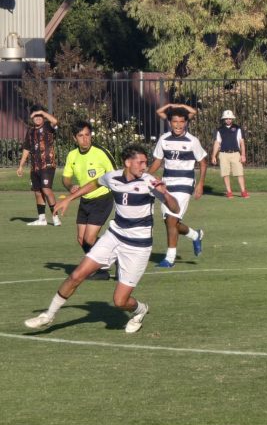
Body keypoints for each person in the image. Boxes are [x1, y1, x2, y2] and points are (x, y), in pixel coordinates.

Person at [24, 144, 180, 333]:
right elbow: (95, 183)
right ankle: (48, 315)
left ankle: (140, 309)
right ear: (127, 162)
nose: (144, 166)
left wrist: (165, 193)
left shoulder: (150, 182)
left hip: (138, 247)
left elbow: (175, 208)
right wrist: (68, 199)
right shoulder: (112, 177)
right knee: (76, 275)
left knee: (120, 301)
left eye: (145, 162)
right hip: (114, 236)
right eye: (140, 162)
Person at [149, 105, 207, 268]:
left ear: (186, 123)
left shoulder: (192, 141)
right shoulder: (164, 139)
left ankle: (170, 258)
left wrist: (200, 184)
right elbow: (157, 161)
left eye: (182, 122)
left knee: (171, 220)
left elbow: (203, 162)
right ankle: (195, 235)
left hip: (185, 183)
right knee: (170, 222)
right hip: (166, 184)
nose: (179, 125)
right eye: (175, 122)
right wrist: (145, 175)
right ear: (169, 122)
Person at [62, 121, 117, 280]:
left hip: (102, 198)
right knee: (81, 239)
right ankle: (102, 268)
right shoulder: (72, 155)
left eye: (87, 135)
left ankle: (111, 259)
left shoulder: (101, 152)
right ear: (74, 138)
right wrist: (70, 186)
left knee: (89, 239)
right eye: (81, 136)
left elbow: (114, 176)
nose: (85, 139)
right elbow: (65, 178)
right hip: (84, 200)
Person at [17, 105, 61, 226]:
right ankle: (41, 219)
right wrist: (21, 165)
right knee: (37, 191)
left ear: (43, 117)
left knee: (46, 190)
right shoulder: (30, 131)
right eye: (35, 116)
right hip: (35, 167)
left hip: (47, 165)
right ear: (32, 118)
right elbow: (26, 148)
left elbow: (56, 121)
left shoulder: (48, 126)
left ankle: (55, 217)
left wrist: (42, 111)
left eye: (39, 116)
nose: (37, 118)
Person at [211, 110, 249, 199]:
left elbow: (241, 142)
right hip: (223, 154)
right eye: (226, 118)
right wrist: (213, 155)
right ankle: (229, 192)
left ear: (232, 119)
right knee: (225, 174)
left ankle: (243, 191)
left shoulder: (238, 128)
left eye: (230, 118)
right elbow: (217, 143)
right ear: (224, 119)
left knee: (239, 173)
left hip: (235, 153)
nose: (228, 120)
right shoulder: (219, 130)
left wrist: (243, 155)